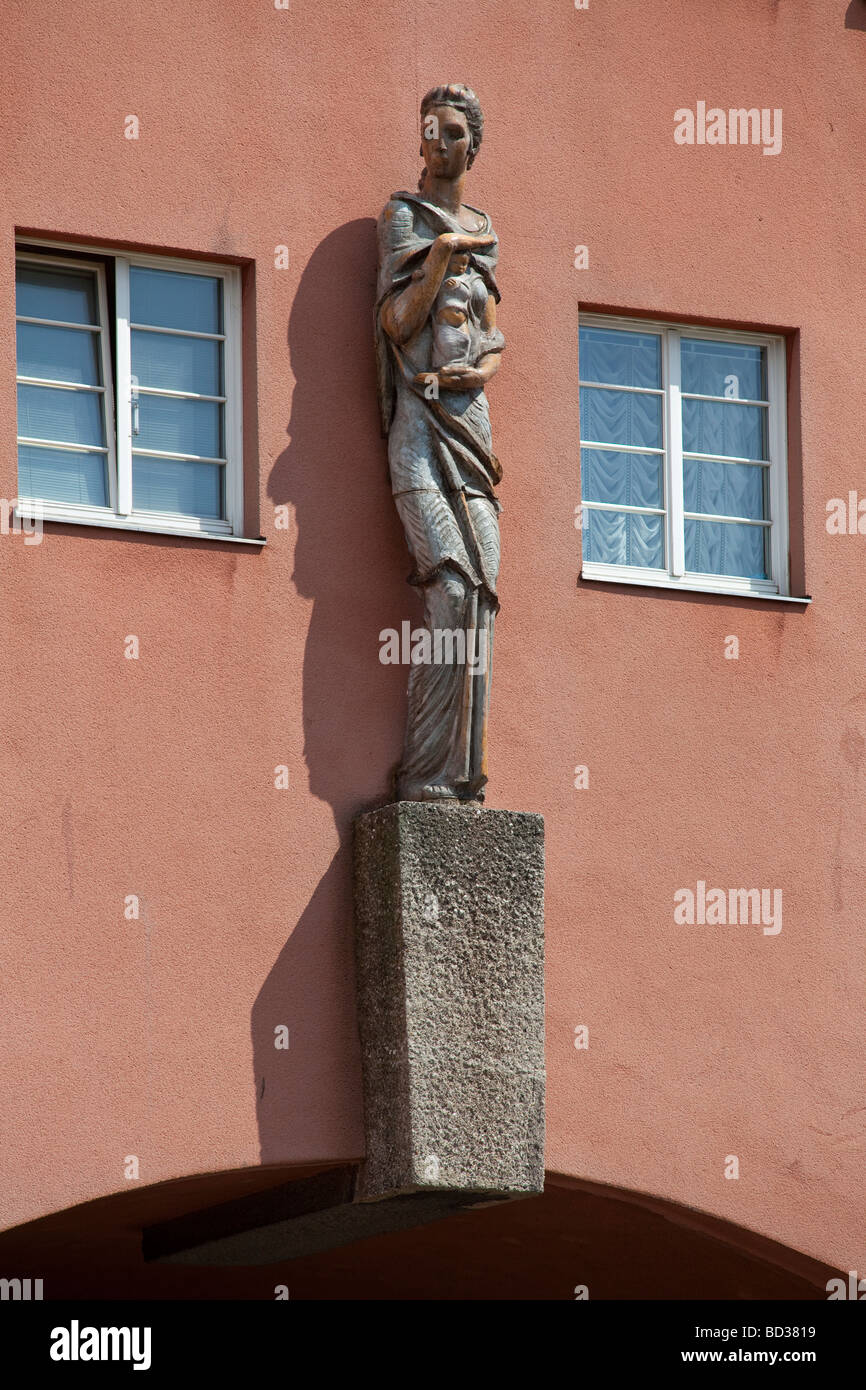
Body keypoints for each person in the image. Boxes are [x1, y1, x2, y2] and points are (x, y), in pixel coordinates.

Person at [375, 83, 505, 802]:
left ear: (472, 147)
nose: (441, 141)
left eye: (455, 132)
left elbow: (490, 339)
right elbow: (397, 324)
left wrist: (478, 365)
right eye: (431, 129)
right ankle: (424, 775)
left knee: (483, 595)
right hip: (418, 431)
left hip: (470, 425)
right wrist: (440, 256)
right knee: (451, 590)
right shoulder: (402, 217)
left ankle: (466, 778)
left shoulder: (489, 229)